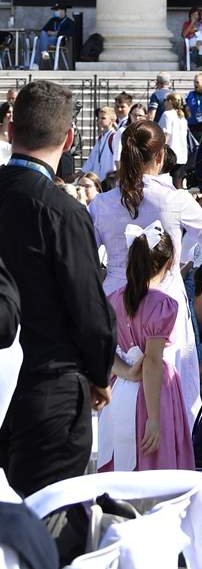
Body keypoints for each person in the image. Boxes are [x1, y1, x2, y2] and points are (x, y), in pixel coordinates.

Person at [0, 81, 116, 497]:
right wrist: (100, 372)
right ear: (68, 140)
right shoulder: (62, 210)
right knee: (47, 525)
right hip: (48, 384)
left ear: (11, 130)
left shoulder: (59, 207)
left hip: (34, 377)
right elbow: (87, 305)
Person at [91, 119, 202, 419]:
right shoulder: (175, 199)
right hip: (163, 299)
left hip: (115, 299)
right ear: (159, 156)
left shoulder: (102, 203)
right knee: (171, 387)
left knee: (118, 393)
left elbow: (87, 254)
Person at [97, 225, 195, 472]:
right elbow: (152, 361)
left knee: (121, 458)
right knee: (154, 463)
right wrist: (153, 418)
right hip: (153, 394)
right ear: (170, 262)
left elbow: (105, 350)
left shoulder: (114, 298)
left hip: (120, 390)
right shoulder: (163, 303)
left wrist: (126, 372)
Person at [82, 104, 120, 180]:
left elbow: (118, 159)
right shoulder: (101, 137)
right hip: (99, 179)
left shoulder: (114, 137)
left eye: (103, 118)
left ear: (112, 120)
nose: (99, 120)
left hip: (110, 180)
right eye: (98, 118)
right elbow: (92, 158)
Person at [158, 93, 190, 183]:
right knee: (178, 182)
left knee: (168, 183)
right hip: (182, 154)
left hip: (170, 154)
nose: (164, 103)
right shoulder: (182, 117)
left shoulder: (167, 115)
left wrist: (160, 150)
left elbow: (165, 134)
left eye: (165, 101)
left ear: (170, 101)